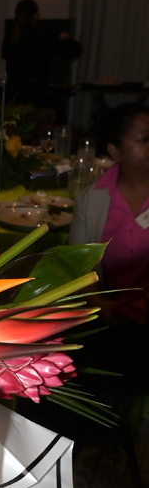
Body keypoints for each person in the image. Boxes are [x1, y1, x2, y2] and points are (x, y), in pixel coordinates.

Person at [69, 103, 149, 367]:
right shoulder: (92, 202)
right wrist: (102, 305)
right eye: (144, 140)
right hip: (111, 315)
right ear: (115, 151)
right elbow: (79, 267)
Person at [1, 0, 81, 115]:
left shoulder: (10, 37)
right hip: (35, 96)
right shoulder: (40, 35)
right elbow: (72, 50)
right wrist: (66, 38)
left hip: (13, 95)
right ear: (34, 15)